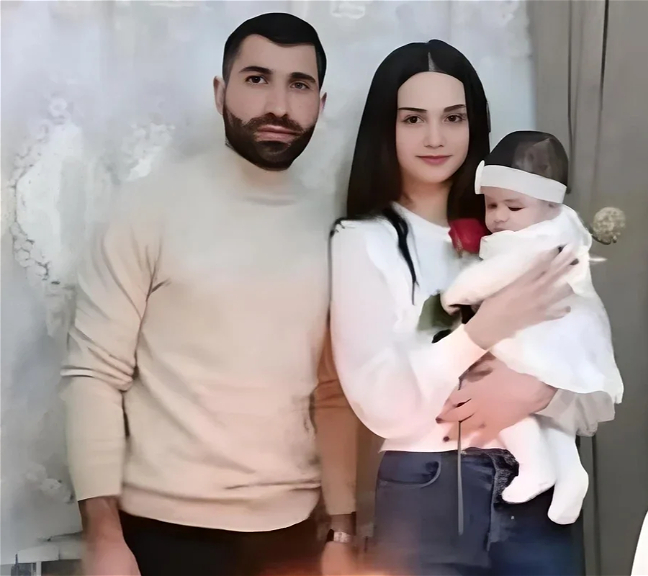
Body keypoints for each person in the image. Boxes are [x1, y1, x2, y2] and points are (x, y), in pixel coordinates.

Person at [61, 13, 358, 576]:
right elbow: (94, 375)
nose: (279, 105)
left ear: (321, 103)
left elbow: (332, 394)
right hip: (162, 535)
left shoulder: (338, 231)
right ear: (220, 92)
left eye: (299, 85)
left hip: (293, 535)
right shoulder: (147, 209)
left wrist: (342, 528)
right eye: (257, 79)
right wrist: (102, 537)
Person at [329, 40, 597, 576]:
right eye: (413, 119)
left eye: (453, 118)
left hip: (539, 498)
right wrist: (479, 333)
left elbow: (594, 383)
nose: (435, 137)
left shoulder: (522, 231)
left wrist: (539, 390)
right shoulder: (362, 241)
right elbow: (382, 405)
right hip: (428, 491)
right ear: (386, 128)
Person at [441, 130, 624, 523]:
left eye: (513, 206)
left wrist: (455, 294)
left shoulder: (536, 242)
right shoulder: (562, 229)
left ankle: (535, 464)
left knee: (494, 388)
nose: (499, 216)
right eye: (491, 204)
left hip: (544, 332)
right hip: (563, 333)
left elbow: (492, 277)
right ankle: (570, 473)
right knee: (549, 412)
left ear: (549, 204)